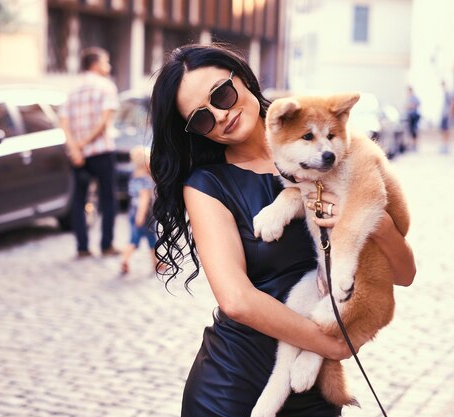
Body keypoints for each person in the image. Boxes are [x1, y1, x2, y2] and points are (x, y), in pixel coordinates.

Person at [149, 43, 416, 416]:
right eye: (202, 119)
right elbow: (237, 301)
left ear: (241, 78)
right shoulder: (207, 185)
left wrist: (377, 223)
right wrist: (333, 346)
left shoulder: (333, 153)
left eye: (222, 95)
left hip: (316, 391)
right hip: (235, 385)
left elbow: (403, 274)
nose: (221, 115)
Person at [59, 46, 120, 258]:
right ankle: (106, 245)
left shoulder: (72, 89)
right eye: (106, 62)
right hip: (101, 150)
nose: (109, 66)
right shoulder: (106, 86)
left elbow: (64, 122)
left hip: (78, 156)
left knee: (78, 199)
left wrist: (75, 148)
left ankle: (82, 247)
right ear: (95, 64)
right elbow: (104, 121)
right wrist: (84, 143)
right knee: (107, 199)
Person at [120, 145, 160, 274]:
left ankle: (157, 262)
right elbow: (144, 200)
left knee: (149, 239)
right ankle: (125, 260)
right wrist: (141, 216)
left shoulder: (134, 177)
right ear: (146, 164)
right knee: (136, 240)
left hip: (132, 212)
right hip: (144, 215)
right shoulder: (145, 181)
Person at [405, 86, 421, 150]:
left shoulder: (414, 98)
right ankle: (412, 145)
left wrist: (409, 106)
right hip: (410, 115)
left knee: (414, 131)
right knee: (410, 131)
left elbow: (415, 105)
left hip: (414, 115)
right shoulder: (408, 98)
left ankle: (415, 145)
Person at [439, 81, 453, 154]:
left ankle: (446, 146)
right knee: (444, 130)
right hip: (444, 114)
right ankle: (444, 145)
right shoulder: (445, 93)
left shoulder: (448, 93)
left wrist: (450, 113)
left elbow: (452, 102)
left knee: (446, 131)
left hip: (447, 115)